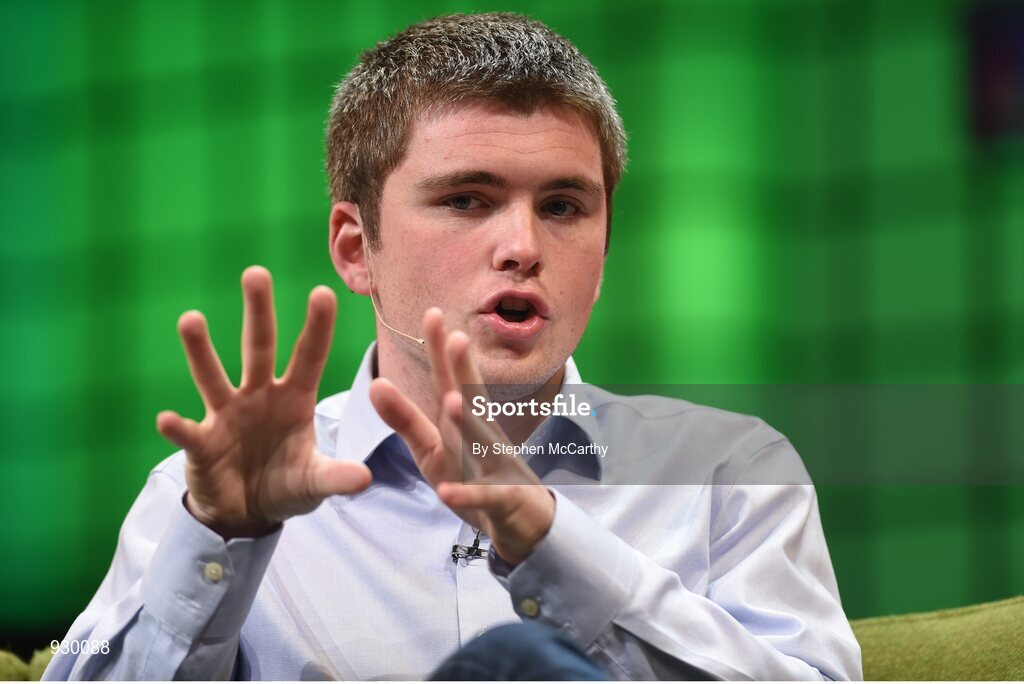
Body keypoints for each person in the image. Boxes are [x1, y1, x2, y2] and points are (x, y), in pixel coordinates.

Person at [45, 13, 862, 681]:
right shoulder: (204, 493)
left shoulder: (729, 473)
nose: (523, 247)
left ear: (605, 251)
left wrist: (550, 539)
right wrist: (222, 534)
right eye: (468, 200)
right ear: (356, 249)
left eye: (564, 207)